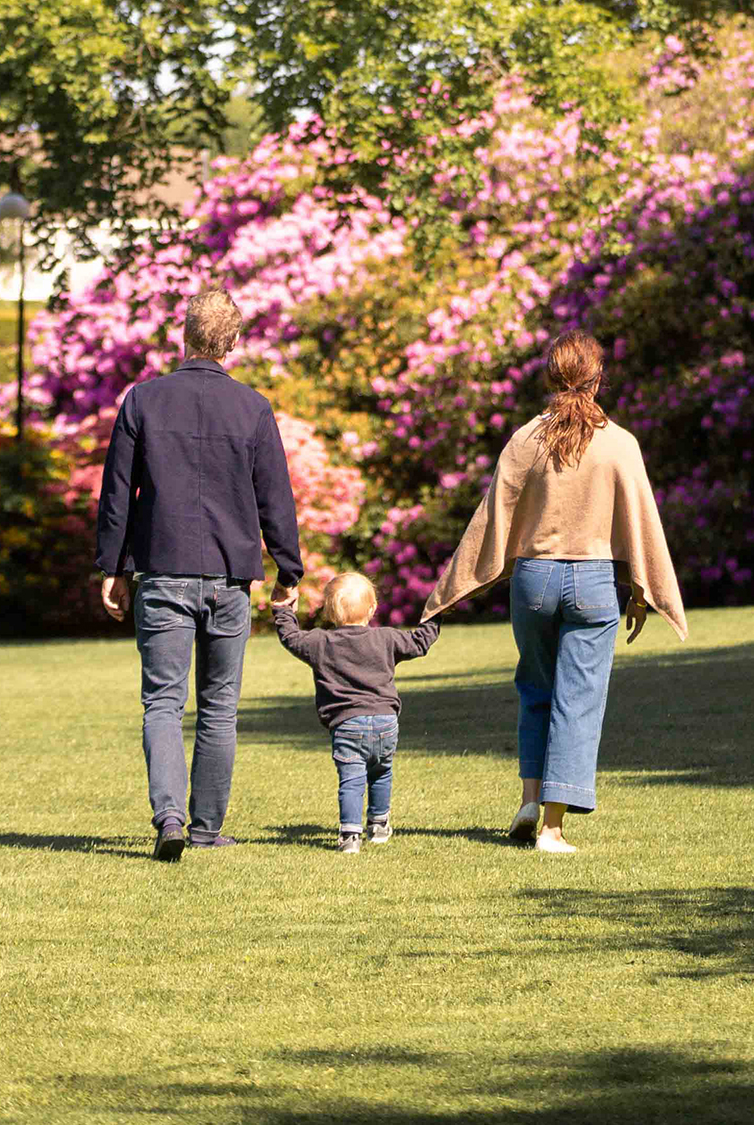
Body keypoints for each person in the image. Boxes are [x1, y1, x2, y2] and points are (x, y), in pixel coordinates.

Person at [422, 330, 687, 854]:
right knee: (578, 702)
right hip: (592, 583)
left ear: (552, 375)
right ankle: (551, 828)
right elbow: (641, 522)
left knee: (535, 689)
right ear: (597, 377)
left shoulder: (526, 439)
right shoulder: (619, 442)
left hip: (534, 582)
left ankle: (528, 798)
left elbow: (493, 515)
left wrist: (460, 584)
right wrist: (641, 590)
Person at [94, 287, 302, 862]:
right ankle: (206, 827)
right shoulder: (253, 408)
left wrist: (112, 567)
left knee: (162, 702)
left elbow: (117, 494)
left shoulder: (142, 400)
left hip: (162, 572)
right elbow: (275, 498)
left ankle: (170, 817)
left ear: (183, 334)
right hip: (230, 577)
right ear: (232, 342)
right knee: (218, 706)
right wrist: (288, 568)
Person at [272, 572, 442, 854]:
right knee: (381, 772)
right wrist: (437, 612)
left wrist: (283, 611)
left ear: (328, 611)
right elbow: (420, 642)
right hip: (386, 721)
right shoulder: (386, 638)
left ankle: (351, 834)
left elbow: (290, 637)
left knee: (351, 778)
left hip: (347, 724)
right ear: (373, 608)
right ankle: (378, 824)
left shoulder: (319, 643)